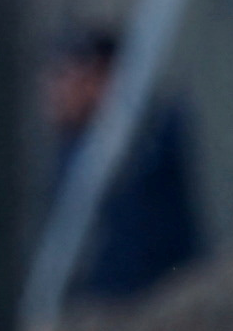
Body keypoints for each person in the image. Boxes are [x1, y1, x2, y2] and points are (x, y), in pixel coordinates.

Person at [41, 22, 209, 309]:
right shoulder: (76, 148)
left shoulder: (146, 138)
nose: (55, 92)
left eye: (69, 77)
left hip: (154, 304)